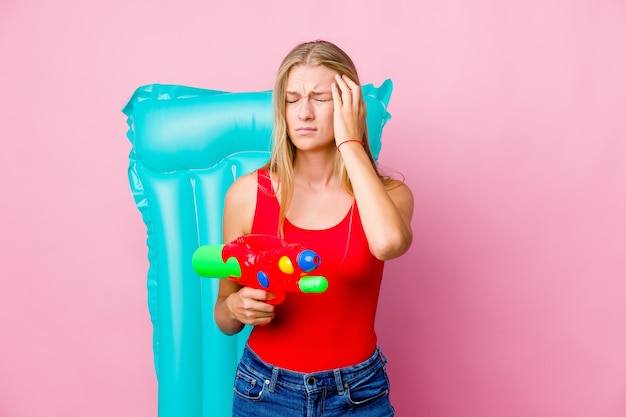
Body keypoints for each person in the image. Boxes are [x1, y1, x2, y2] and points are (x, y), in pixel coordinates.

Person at [214, 40, 414, 417]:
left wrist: (351, 141)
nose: (304, 113)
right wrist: (238, 306)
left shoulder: (390, 196)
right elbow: (224, 316)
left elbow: (388, 243)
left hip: (358, 394)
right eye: (292, 99)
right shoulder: (246, 195)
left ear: (348, 107)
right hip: (265, 392)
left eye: (320, 98)